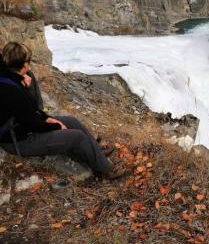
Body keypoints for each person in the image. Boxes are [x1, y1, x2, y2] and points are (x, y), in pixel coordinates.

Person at [0, 42, 122, 179]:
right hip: (20, 141)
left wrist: (46, 117)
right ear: (24, 65)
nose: (29, 66)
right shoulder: (13, 91)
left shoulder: (8, 76)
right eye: (28, 62)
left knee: (72, 121)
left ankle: (97, 152)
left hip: (24, 127)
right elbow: (33, 124)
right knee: (77, 137)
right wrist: (56, 126)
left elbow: (31, 110)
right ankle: (105, 170)